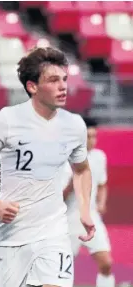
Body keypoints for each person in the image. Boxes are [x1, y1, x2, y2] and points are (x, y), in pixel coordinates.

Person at [0, 46, 96, 287]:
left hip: (53, 233)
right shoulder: (7, 120)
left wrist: (85, 210)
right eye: (53, 80)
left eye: (64, 79)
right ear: (32, 86)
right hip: (11, 236)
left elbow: (82, 169)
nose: (63, 86)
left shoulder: (75, 125)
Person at [62, 117, 115, 287]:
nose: (92, 140)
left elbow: (102, 185)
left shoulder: (99, 157)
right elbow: (57, 198)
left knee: (106, 263)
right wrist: (72, 183)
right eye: (88, 136)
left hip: (92, 218)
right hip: (69, 220)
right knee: (62, 271)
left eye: (94, 136)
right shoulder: (64, 161)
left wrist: (101, 203)